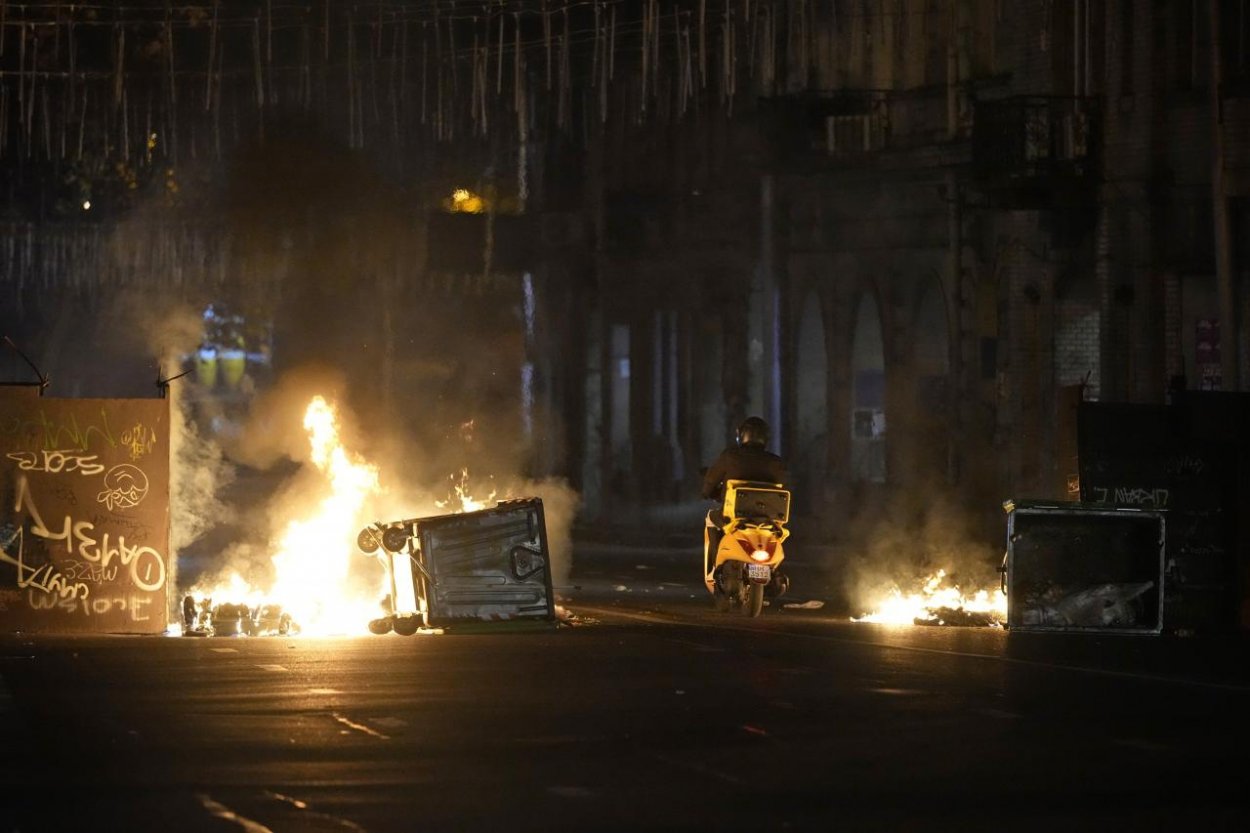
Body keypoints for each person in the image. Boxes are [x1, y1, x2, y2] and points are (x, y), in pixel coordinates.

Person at [701, 416, 788, 575]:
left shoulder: (730, 456)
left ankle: (714, 568)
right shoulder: (777, 463)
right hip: (769, 520)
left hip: (733, 517)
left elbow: (711, 480)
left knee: (711, 519)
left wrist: (706, 492)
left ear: (741, 436)